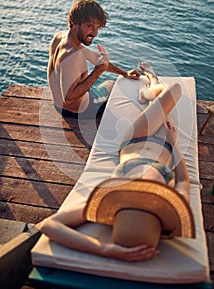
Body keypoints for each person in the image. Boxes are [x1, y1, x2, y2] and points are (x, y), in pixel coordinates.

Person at [39, 62, 191, 262]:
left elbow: (49, 225)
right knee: (174, 91)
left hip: (136, 138)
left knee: (168, 96)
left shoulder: (113, 200)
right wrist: (174, 142)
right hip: (165, 143)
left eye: (134, 193)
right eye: (147, 195)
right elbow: (183, 181)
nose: (140, 187)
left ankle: (148, 91)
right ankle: (150, 85)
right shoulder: (169, 207)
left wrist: (104, 249)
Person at [48, 0, 140, 120]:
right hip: (80, 111)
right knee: (113, 86)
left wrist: (124, 73)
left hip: (58, 106)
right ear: (75, 22)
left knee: (112, 82)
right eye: (90, 26)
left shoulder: (60, 38)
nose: (95, 33)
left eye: (97, 27)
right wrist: (97, 72)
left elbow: (98, 60)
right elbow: (68, 98)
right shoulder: (73, 55)